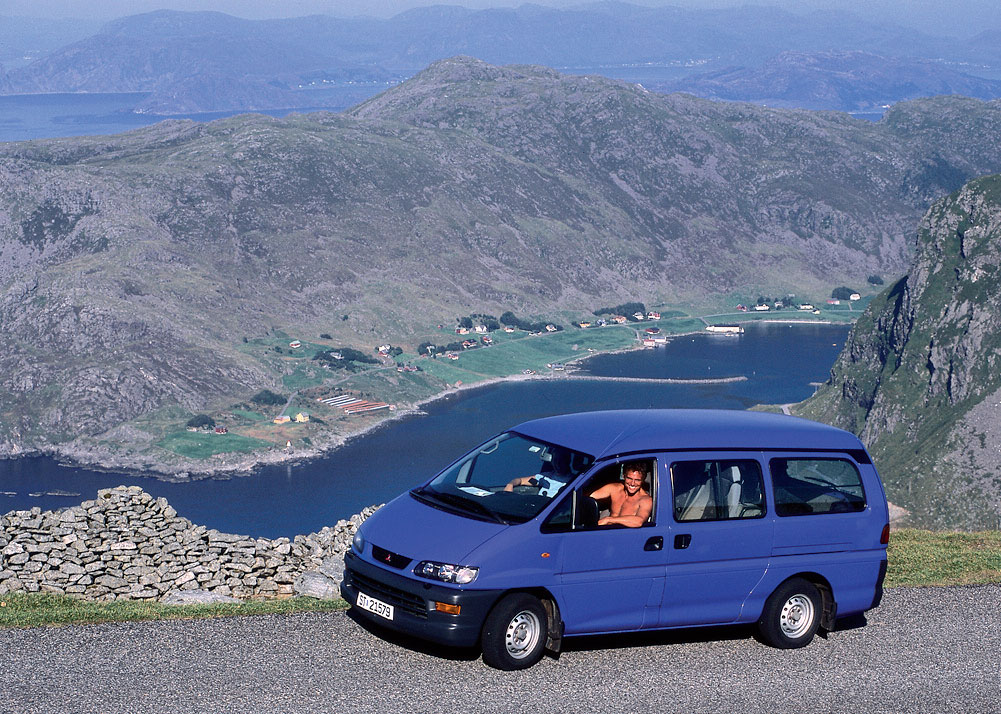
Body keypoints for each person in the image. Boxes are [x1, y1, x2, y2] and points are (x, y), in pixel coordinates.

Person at [590, 462, 652, 527]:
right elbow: (587, 497)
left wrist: (608, 520)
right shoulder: (615, 488)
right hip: (606, 530)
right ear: (624, 476)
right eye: (629, 478)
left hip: (625, 532)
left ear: (642, 480)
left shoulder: (645, 500)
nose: (632, 483)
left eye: (637, 480)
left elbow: (639, 522)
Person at [504, 449, 571, 498]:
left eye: (561, 461)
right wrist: (510, 484)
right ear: (552, 461)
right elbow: (521, 481)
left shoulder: (572, 481)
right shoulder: (544, 478)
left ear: (568, 461)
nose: (558, 464)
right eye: (555, 460)